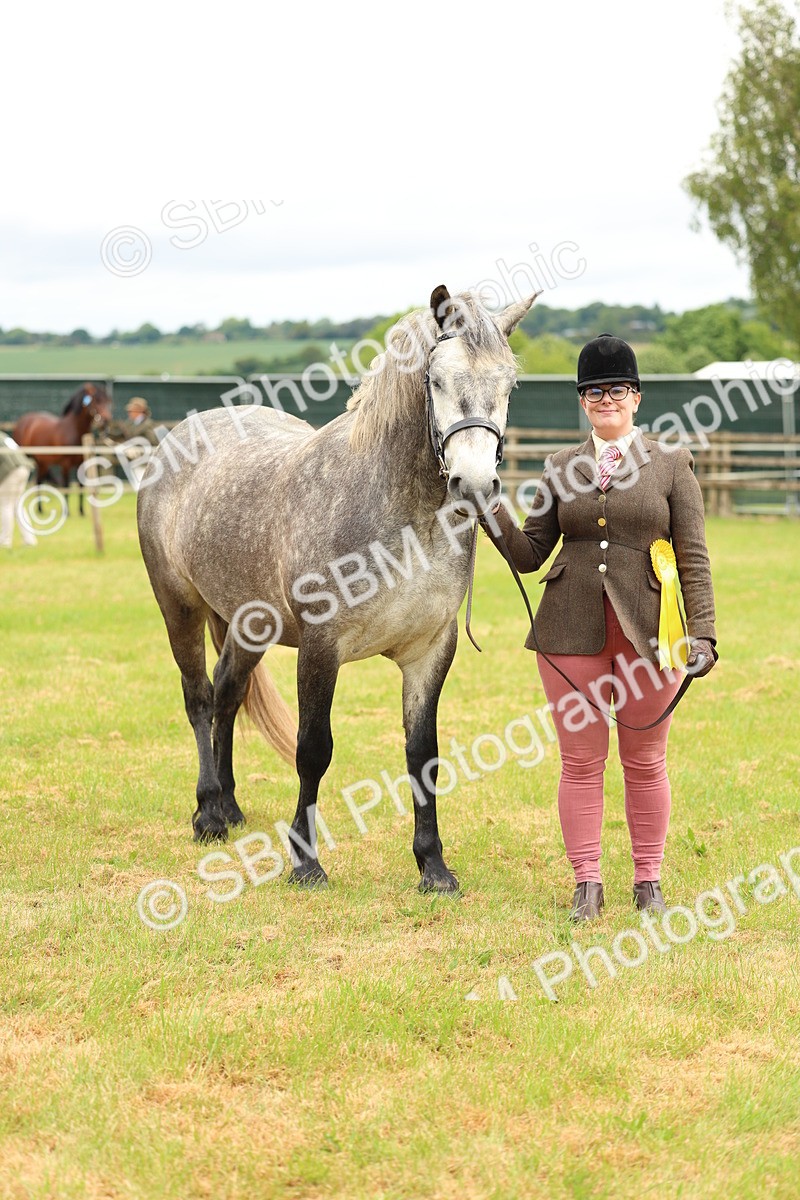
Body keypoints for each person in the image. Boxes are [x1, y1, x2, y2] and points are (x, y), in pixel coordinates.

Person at [482, 334, 717, 920]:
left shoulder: (672, 464)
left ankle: (648, 880)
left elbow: (692, 555)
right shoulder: (561, 467)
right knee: (581, 761)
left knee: (645, 760)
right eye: (592, 392)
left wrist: (705, 634)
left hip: (651, 634)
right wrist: (489, 504)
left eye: (615, 390)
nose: (604, 399)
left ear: (635, 398)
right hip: (569, 632)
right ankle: (587, 881)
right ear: (582, 402)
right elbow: (532, 551)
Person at [0, 435, 37, 548]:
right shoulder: (2, 435)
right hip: (24, 468)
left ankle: (5, 542)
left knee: (5, 504)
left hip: (12, 470)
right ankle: (29, 540)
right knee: (17, 505)